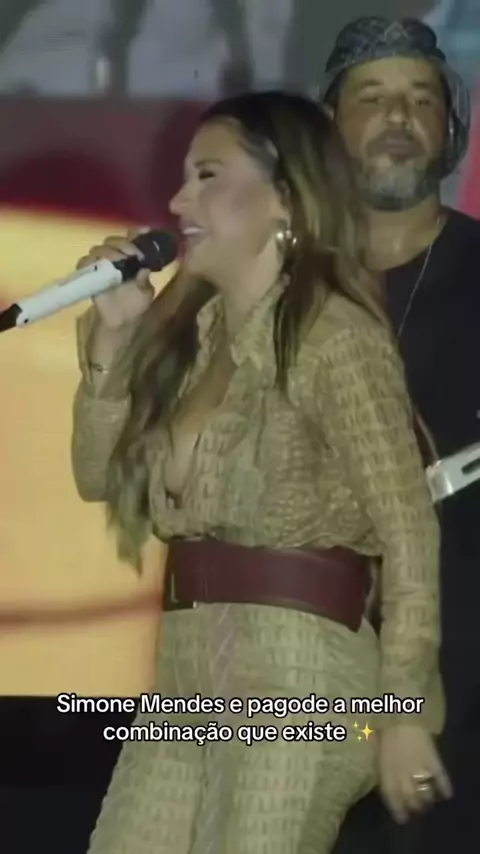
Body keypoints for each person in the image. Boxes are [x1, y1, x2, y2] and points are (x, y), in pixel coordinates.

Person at [70, 90, 449, 854]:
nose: (179, 201)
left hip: (300, 676)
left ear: (285, 197)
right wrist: (112, 346)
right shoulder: (194, 339)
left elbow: (408, 529)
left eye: (207, 176)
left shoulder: (334, 339)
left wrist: (402, 710)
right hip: (186, 678)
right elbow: (97, 478)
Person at [320, 16, 480, 854]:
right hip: (310, 673)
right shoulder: (279, 290)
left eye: (421, 99)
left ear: (450, 128)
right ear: (328, 126)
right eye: (373, 97)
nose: (398, 117)